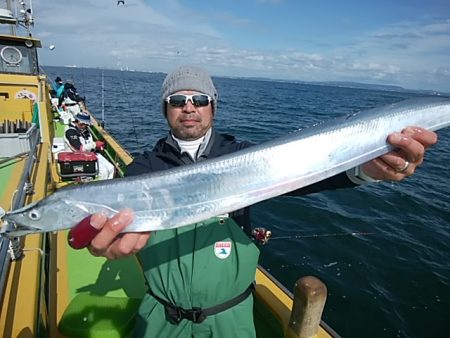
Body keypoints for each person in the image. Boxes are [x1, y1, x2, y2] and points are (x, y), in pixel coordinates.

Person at [77, 65, 438, 337]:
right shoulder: (141, 169)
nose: (189, 107)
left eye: (199, 99)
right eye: (177, 101)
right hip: (160, 319)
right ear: (165, 109)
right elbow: (106, 227)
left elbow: (310, 175)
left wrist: (367, 169)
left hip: (232, 319)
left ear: (213, 107)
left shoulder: (246, 157)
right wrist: (97, 242)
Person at [64, 112, 114, 180]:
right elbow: (79, 149)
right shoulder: (70, 132)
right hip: (78, 157)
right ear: (79, 122)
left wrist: (97, 146)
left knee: (111, 168)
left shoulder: (84, 130)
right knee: (103, 172)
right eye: (85, 124)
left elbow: (88, 144)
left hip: (91, 154)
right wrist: (95, 144)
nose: (87, 126)